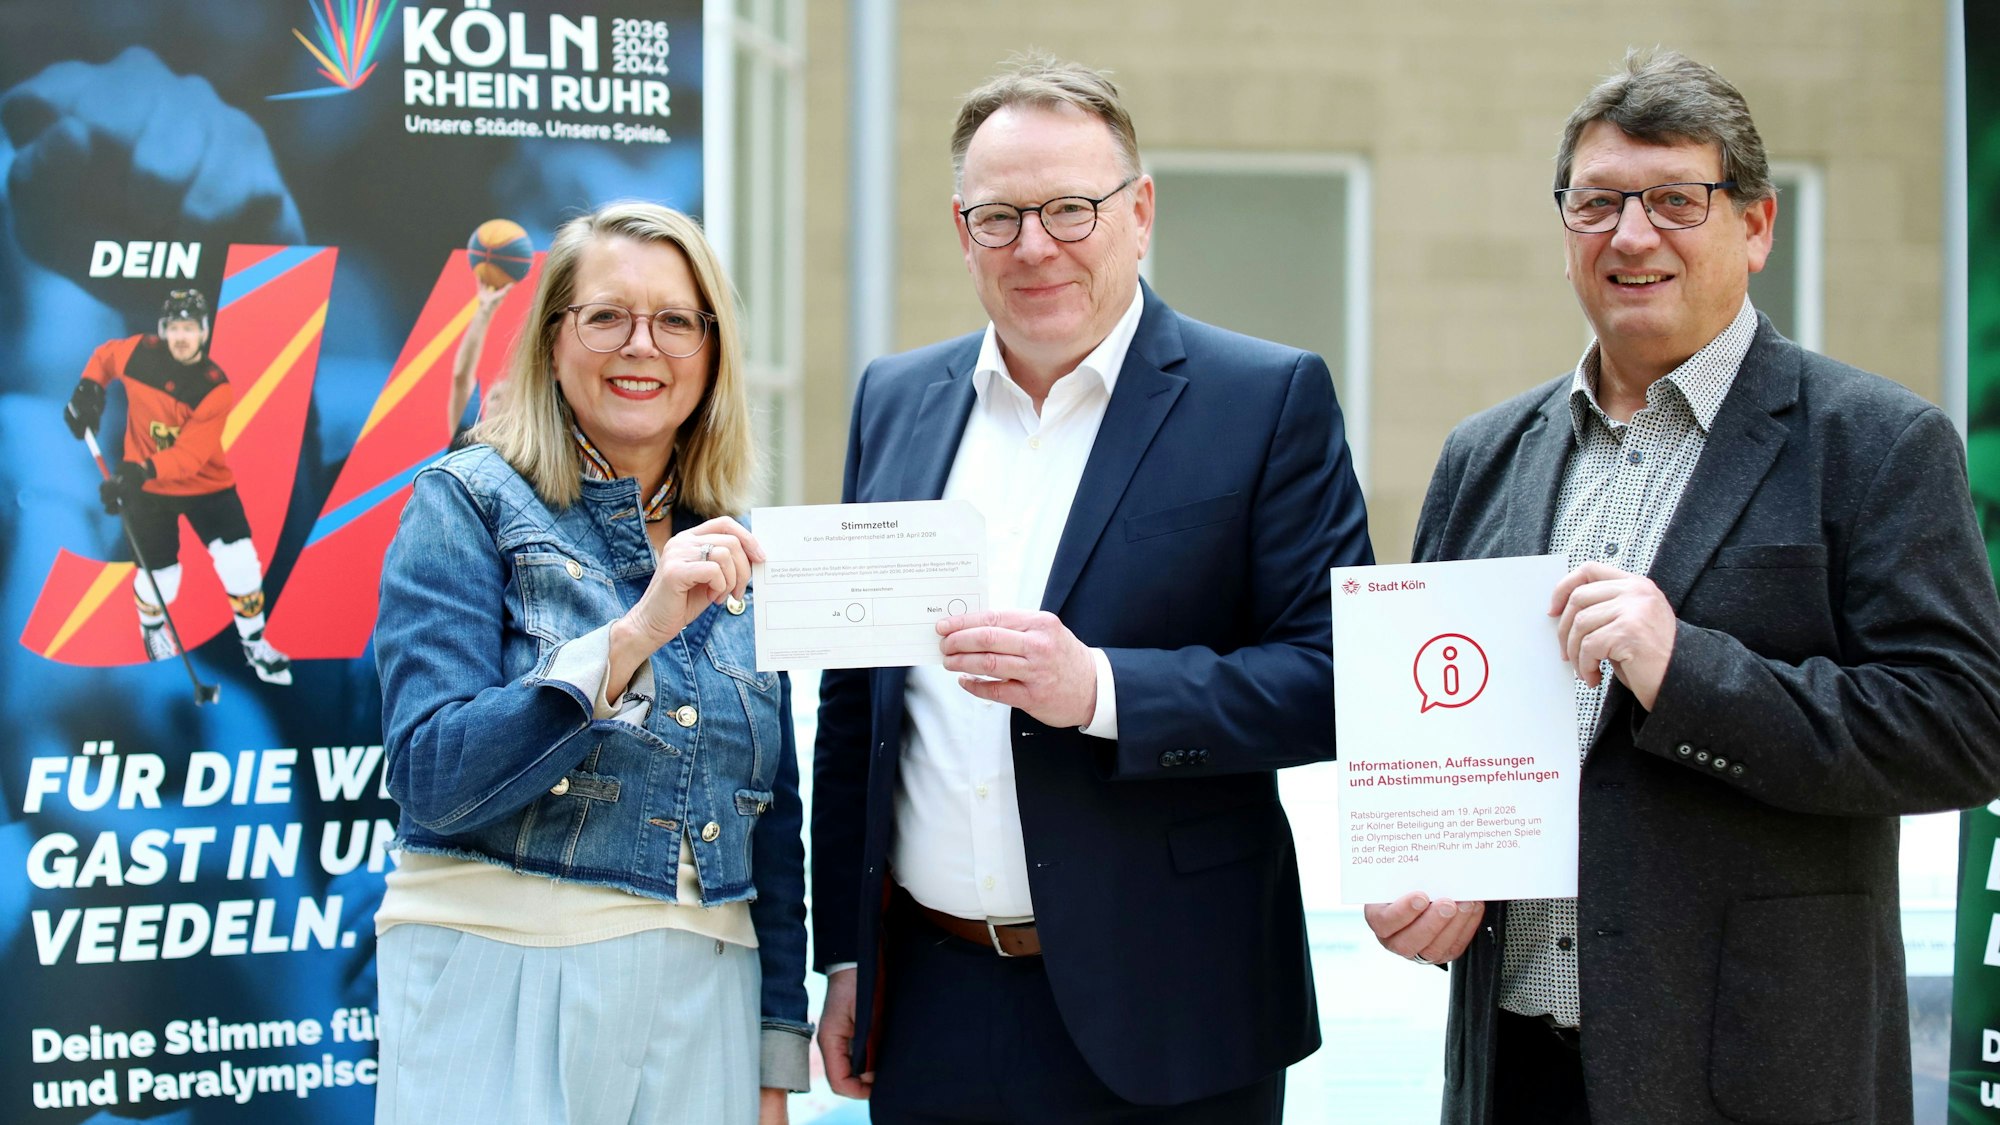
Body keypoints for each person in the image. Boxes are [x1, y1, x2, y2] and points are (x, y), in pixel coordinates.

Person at [1364, 48, 2000, 1124]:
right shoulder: (1485, 455)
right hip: (1511, 1062)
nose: (1629, 234)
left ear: (1754, 229)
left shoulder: (1873, 443)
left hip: (1752, 1069)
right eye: (1596, 202)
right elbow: (1441, 731)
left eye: (1674, 201)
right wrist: (1424, 877)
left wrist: (1687, 669)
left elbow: (1963, 725)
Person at [812, 53, 1372, 1123]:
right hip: (929, 1003)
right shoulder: (894, 400)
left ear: (1139, 210)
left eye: (1071, 209)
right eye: (998, 217)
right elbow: (858, 706)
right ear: (959, 229)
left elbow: (1333, 676)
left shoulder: (1263, 399)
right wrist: (847, 955)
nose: (1034, 247)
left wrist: (1100, 690)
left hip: (1174, 1011)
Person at [373, 201, 808, 1125]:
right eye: (607, 316)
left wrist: (774, 1056)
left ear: (712, 350)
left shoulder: (742, 544)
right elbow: (429, 774)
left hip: (708, 1002)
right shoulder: (467, 500)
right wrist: (625, 641)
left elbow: (774, 821)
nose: (640, 346)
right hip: (500, 973)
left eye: (675, 321)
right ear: (553, 339)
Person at [63, 286, 293, 683]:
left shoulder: (214, 386)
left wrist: (135, 474)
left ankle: (255, 642)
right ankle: (154, 632)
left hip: (206, 485)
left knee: (240, 562)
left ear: (203, 333)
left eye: (190, 328)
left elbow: (190, 456)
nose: (181, 337)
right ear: (163, 330)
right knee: (160, 577)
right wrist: (89, 388)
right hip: (150, 491)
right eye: (174, 327)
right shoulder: (140, 353)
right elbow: (106, 356)